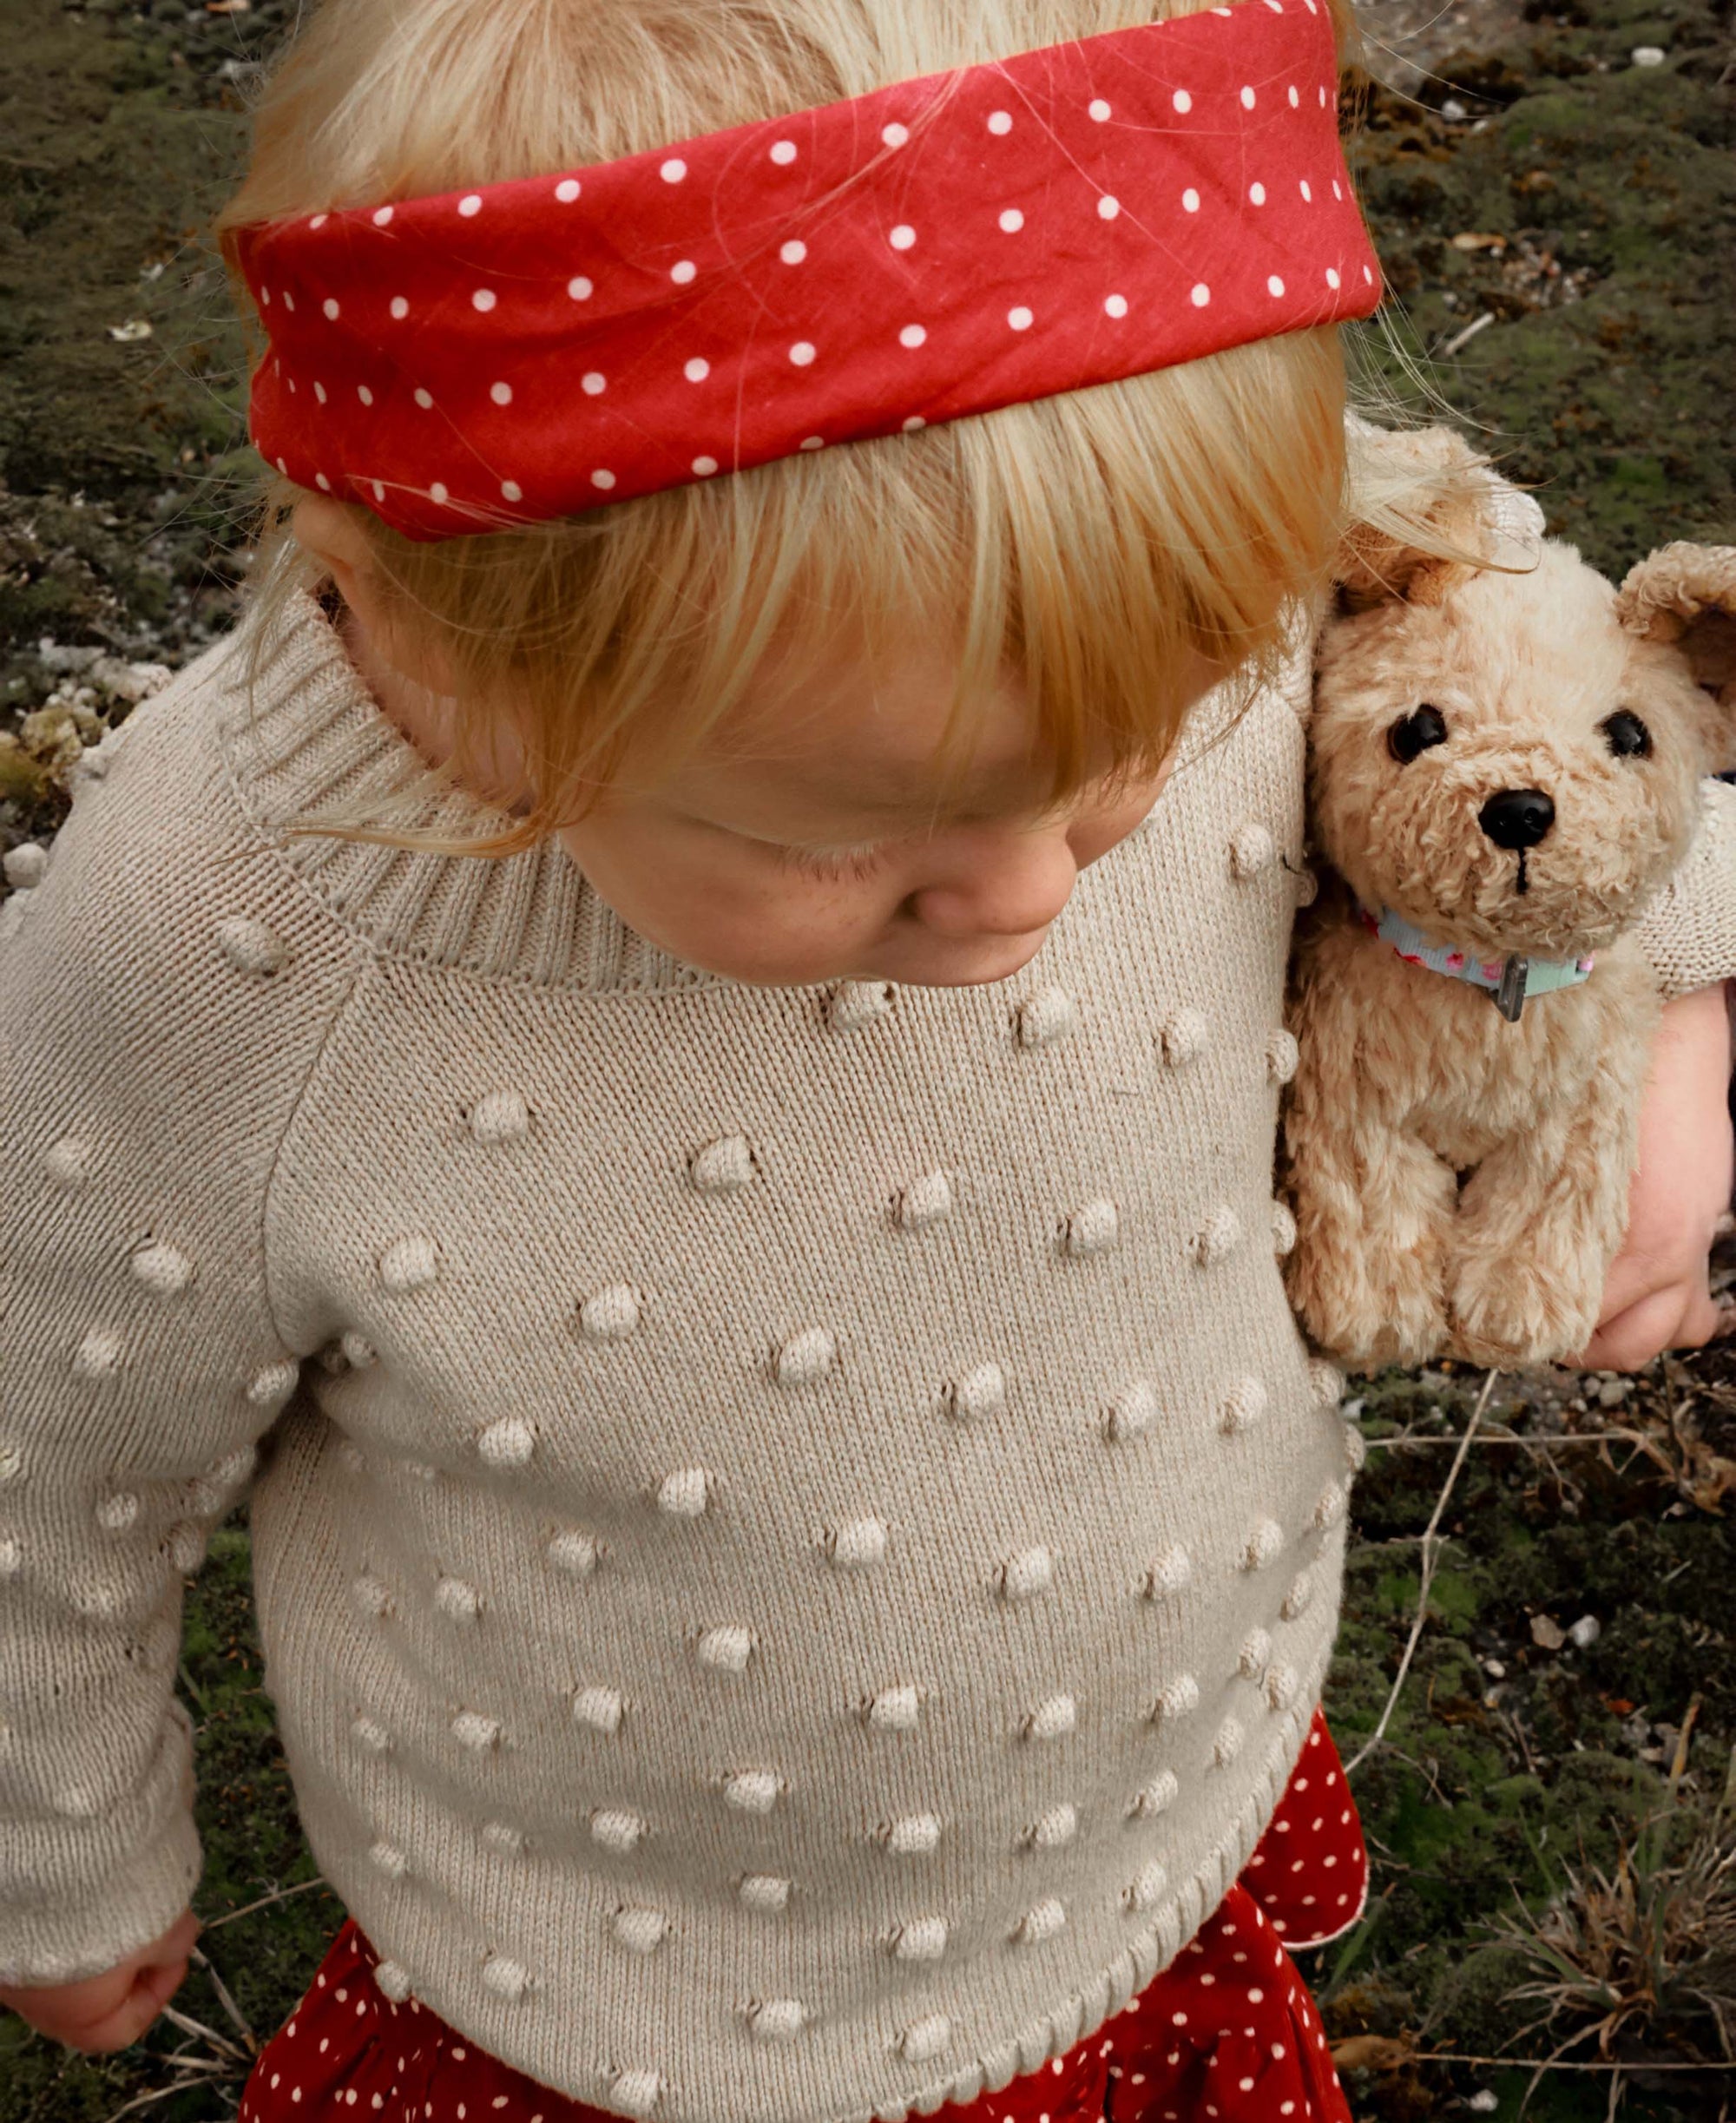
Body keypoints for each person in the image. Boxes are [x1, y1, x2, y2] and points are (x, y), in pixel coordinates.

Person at [3, 1, 1732, 2118]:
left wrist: (1683, 1013)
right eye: (838, 834)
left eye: (1144, 732)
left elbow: (1552, 692)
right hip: (620, 1986)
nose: (1028, 887)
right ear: (433, 648)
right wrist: (57, 1842)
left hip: (1168, 1756)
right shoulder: (223, 933)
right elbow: (41, 1445)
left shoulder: (1160, 567)